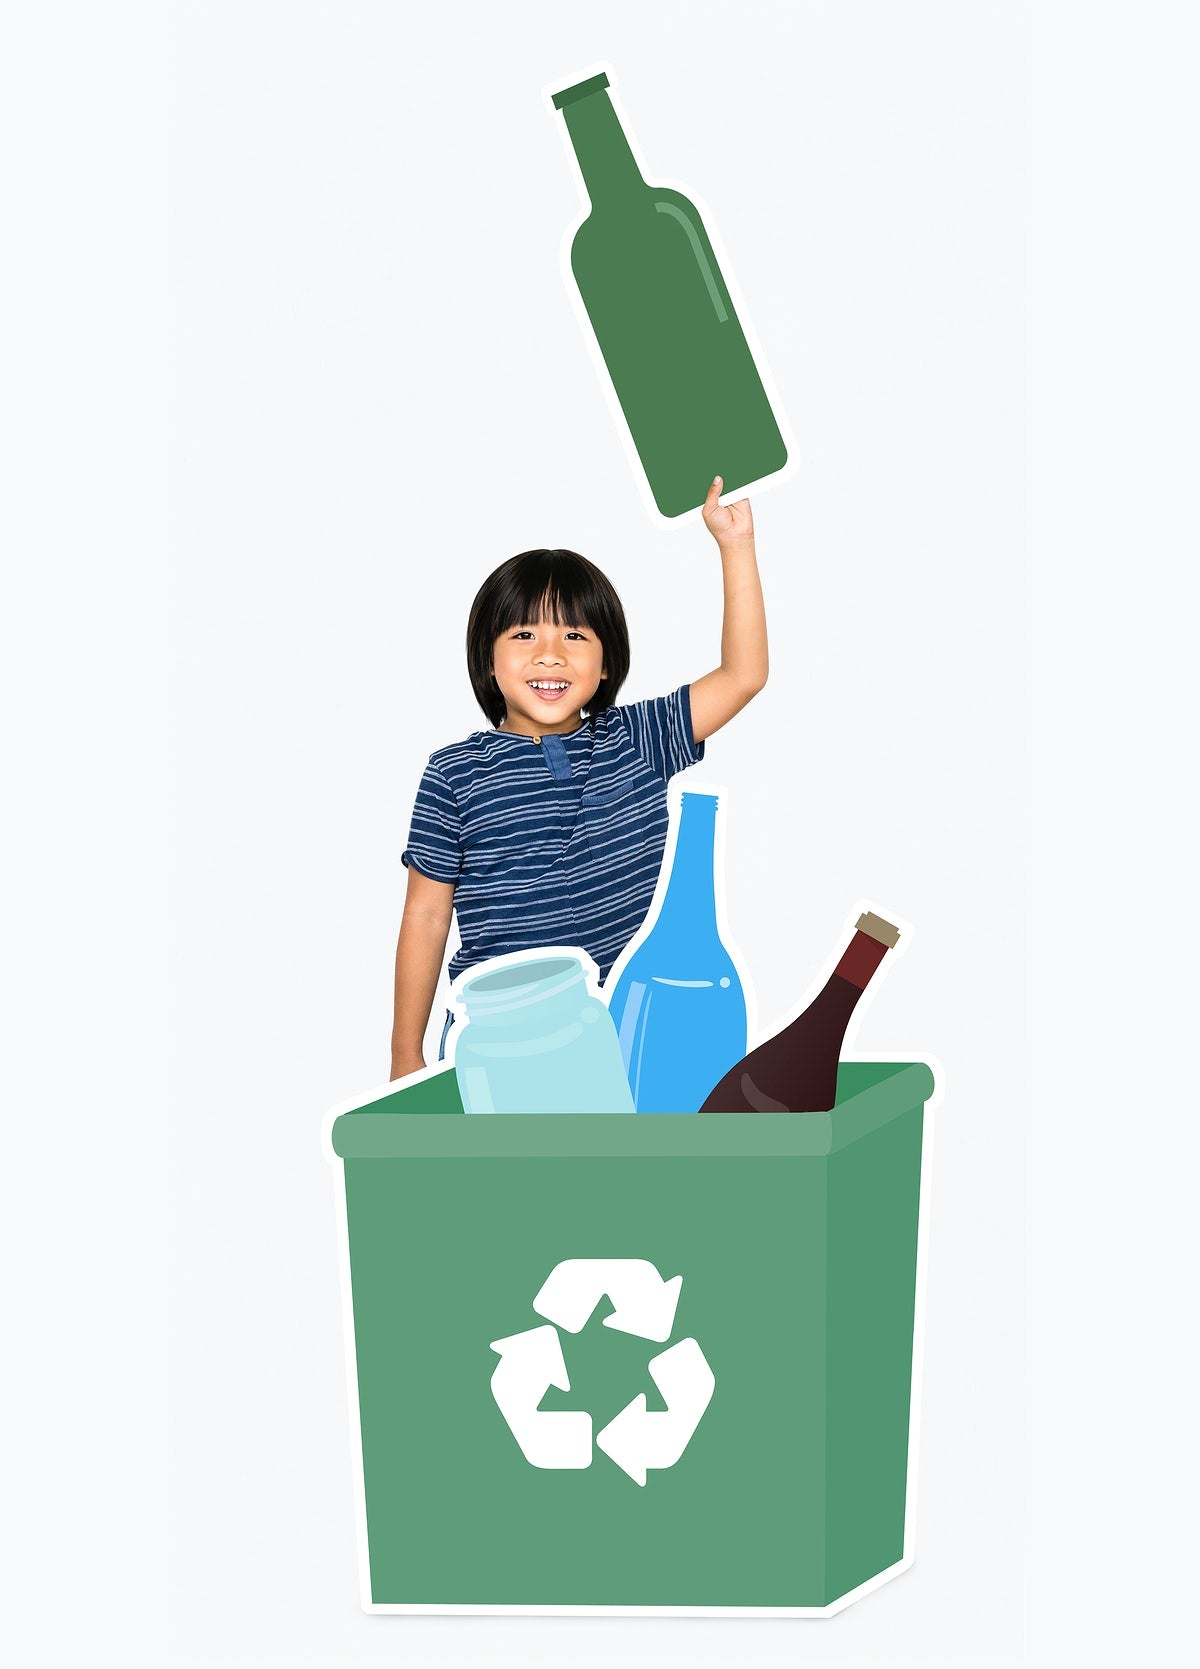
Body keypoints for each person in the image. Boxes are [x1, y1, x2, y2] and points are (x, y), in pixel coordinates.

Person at [390, 476, 768, 1079]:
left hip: (627, 1036)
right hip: (499, 1039)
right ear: (489, 660)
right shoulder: (454, 772)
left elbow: (743, 675)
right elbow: (426, 915)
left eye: (574, 635)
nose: (550, 654)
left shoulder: (638, 739)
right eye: (523, 636)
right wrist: (404, 1054)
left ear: (606, 662)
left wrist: (735, 544)